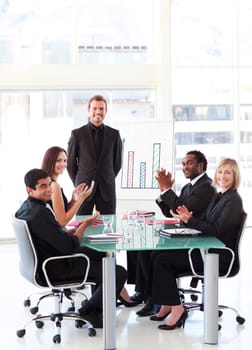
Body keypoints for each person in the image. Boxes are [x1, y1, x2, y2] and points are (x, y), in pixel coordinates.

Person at [15, 168, 127, 328]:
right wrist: (85, 226)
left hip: (41, 262)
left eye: (49, 185)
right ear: (30, 189)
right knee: (117, 272)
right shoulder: (40, 214)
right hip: (55, 268)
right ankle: (87, 310)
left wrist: (74, 230)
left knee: (100, 255)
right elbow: (69, 247)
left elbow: (53, 236)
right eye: (42, 186)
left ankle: (97, 308)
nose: (48, 190)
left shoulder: (28, 207)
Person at [149, 158, 244, 330]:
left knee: (162, 259)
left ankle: (177, 309)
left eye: (228, 172)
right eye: (221, 172)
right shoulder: (220, 196)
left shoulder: (233, 200)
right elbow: (205, 221)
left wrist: (190, 220)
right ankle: (168, 303)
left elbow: (215, 230)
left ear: (235, 175)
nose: (223, 176)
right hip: (207, 250)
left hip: (218, 256)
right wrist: (188, 217)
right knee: (157, 255)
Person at [130, 150, 217, 317]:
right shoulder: (188, 187)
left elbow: (182, 208)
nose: (185, 167)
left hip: (196, 241)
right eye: (183, 164)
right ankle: (146, 294)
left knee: (153, 252)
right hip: (185, 234)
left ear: (201, 165)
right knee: (142, 247)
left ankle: (155, 299)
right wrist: (163, 191)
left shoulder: (206, 186)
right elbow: (171, 212)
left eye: (189, 163)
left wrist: (167, 189)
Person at [67, 95, 122, 215]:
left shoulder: (114, 134)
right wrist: (78, 182)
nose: (98, 112)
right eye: (95, 108)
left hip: (107, 189)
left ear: (106, 111)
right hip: (83, 189)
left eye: (101, 109)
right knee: (81, 225)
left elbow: (117, 164)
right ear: (89, 110)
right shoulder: (77, 134)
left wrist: (106, 177)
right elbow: (70, 164)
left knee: (108, 226)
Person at [41, 146, 95, 227]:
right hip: (54, 234)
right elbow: (62, 222)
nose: (63, 164)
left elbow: (61, 212)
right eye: (58, 160)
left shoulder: (49, 183)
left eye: (65, 161)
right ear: (50, 162)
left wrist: (74, 200)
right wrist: (81, 199)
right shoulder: (54, 186)